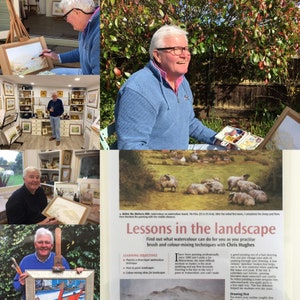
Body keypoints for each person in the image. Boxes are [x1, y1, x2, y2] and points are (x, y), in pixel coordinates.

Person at [114, 25, 227, 150]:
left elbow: (189, 123)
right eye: (176, 49)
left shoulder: (181, 81)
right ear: (157, 55)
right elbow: (131, 147)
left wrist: (218, 139)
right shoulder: (138, 90)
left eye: (186, 49)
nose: (185, 55)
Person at [13, 228, 83, 300]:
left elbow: (70, 282)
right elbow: (16, 285)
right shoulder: (26, 261)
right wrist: (21, 283)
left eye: (47, 242)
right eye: (40, 242)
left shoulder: (60, 260)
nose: (44, 245)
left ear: (52, 246)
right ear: (35, 244)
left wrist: (78, 274)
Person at [42, 0, 100, 75]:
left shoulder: (98, 34)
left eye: (66, 16)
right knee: (51, 73)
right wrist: (57, 57)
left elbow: (95, 79)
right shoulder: (85, 25)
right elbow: (83, 51)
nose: (67, 21)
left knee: (51, 76)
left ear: (76, 12)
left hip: (90, 78)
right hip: (86, 72)